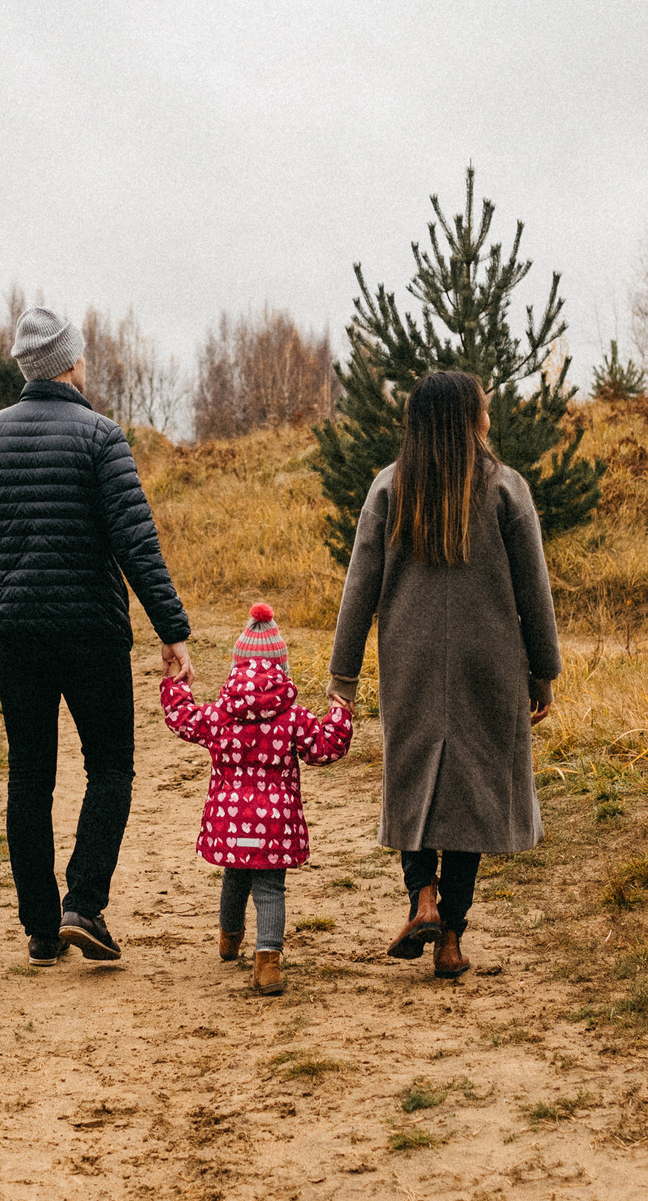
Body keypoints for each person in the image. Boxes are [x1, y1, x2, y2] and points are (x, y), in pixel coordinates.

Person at [0, 306, 193, 967]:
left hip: (13, 635)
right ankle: (82, 903)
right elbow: (136, 541)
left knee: (29, 775)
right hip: (91, 631)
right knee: (110, 765)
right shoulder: (100, 435)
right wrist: (171, 629)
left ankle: (39, 928)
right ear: (72, 362)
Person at [327, 369, 561, 980]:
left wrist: (342, 678)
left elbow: (360, 589)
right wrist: (544, 672)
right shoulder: (506, 489)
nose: (489, 415)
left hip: (411, 660)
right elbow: (535, 592)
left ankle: (421, 899)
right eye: (484, 407)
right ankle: (452, 937)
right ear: (471, 419)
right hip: (490, 663)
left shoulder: (389, 487)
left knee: (412, 779)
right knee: (472, 793)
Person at [161, 601, 352, 996]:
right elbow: (325, 748)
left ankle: (229, 937)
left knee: (234, 875)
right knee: (269, 888)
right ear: (281, 668)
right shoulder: (293, 716)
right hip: (276, 822)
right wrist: (340, 712)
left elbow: (183, 719)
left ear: (237, 666)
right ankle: (267, 963)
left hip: (230, 821)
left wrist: (175, 684)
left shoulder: (220, 714)